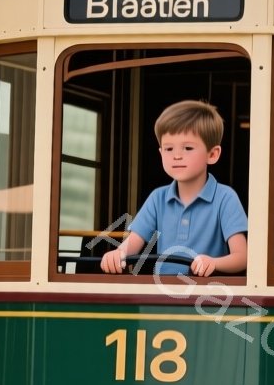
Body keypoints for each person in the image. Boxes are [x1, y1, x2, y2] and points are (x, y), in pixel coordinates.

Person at [101, 100, 248, 277]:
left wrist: (213, 262)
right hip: (162, 294)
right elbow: (132, 244)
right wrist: (117, 255)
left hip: (208, 296)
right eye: (169, 148)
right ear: (161, 153)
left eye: (187, 148)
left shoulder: (226, 197)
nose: (177, 156)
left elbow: (242, 258)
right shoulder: (157, 198)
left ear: (213, 154)